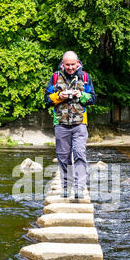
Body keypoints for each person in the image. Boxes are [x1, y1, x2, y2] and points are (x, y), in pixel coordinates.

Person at [44, 51, 96, 199]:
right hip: (60, 123)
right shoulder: (55, 78)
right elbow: (46, 100)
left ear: (78, 63)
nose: (71, 67)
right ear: (63, 64)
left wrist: (81, 96)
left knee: (80, 154)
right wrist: (59, 97)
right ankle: (66, 188)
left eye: (73, 64)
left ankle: (79, 189)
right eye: (67, 64)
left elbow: (93, 99)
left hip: (80, 123)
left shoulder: (85, 77)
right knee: (63, 157)